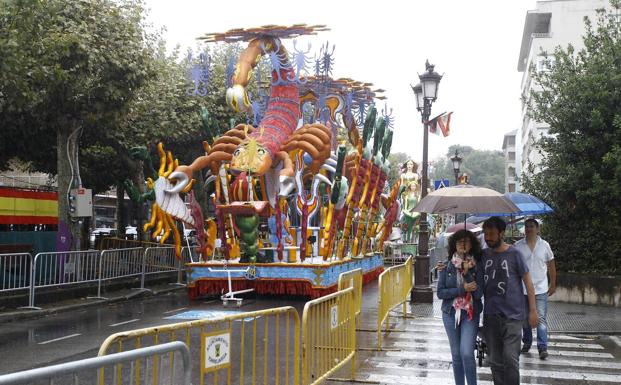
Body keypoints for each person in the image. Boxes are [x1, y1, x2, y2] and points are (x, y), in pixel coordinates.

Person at [480, 216, 538, 385]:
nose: (488, 237)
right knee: (495, 361)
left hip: (513, 316)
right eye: (485, 234)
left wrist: (533, 311)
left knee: (510, 359)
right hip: (491, 316)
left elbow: (528, 282)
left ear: (501, 233)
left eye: (491, 233)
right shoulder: (483, 255)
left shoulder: (515, 254)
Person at [437, 230, 484, 385]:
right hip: (450, 313)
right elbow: (440, 293)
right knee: (456, 355)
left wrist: (467, 273)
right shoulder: (446, 266)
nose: (463, 244)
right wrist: (462, 289)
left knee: (466, 353)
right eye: (459, 242)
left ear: (472, 245)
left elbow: (477, 294)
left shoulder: (477, 266)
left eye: (466, 241)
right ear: (454, 245)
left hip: (470, 314)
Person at [514, 218, 556, 359]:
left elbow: (551, 266)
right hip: (523, 289)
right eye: (526, 227)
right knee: (525, 318)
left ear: (538, 229)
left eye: (532, 226)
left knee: (541, 318)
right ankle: (527, 342)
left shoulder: (545, 246)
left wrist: (553, 283)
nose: (529, 229)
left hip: (541, 289)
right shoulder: (517, 246)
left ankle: (542, 347)